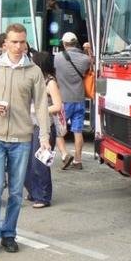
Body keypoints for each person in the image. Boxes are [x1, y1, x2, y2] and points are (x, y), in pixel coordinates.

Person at [0, 23, 51, 255]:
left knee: (16, 192)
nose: (19, 46)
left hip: (22, 138)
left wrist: (45, 136)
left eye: (22, 42)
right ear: (5, 43)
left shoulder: (34, 71)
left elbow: (40, 105)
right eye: (14, 42)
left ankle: (9, 234)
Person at [24, 51, 63, 208]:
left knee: (40, 163)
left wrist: (38, 110)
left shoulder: (50, 82)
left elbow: (58, 105)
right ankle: (34, 191)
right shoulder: (35, 80)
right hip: (30, 126)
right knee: (27, 163)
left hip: (46, 127)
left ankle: (44, 196)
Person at [54, 32, 91, 170]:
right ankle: (78, 160)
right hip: (80, 99)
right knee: (78, 131)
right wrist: (88, 50)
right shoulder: (85, 59)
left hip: (63, 100)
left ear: (64, 43)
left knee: (58, 130)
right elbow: (92, 65)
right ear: (76, 43)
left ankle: (65, 155)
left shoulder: (57, 58)